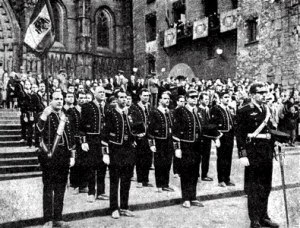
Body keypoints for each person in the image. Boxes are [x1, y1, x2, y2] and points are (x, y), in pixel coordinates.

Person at [236, 82, 280, 228]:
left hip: (266, 151)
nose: (264, 95)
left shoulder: (266, 109)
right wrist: (242, 154)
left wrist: (276, 144)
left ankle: (264, 216)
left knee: (266, 185)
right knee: (254, 186)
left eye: (264, 93)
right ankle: (254, 219)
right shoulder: (244, 110)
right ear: (252, 95)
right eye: (260, 93)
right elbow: (240, 134)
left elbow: (270, 130)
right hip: (253, 152)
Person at [37, 91, 75, 228]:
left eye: (61, 99)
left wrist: (72, 155)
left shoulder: (65, 116)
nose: (59, 101)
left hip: (63, 156)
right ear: (50, 101)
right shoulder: (45, 115)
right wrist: (44, 115)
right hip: (49, 156)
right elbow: (37, 131)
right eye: (56, 99)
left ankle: (58, 217)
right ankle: (47, 219)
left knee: (60, 188)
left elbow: (70, 138)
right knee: (49, 188)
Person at [102, 90, 136, 219]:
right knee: (115, 180)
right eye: (121, 97)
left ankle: (124, 207)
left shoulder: (129, 113)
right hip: (115, 150)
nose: (124, 100)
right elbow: (104, 134)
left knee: (126, 180)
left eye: (125, 98)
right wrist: (106, 153)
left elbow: (133, 130)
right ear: (116, 99)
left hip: (128, 151)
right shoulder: (110, 114)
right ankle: (114, 208)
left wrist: (135, 138)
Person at [172, 89, 204, 208]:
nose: (194, 99)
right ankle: (185, 198)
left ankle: (193, 196)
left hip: (197, 145)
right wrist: (177, 148)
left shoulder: (198, 111)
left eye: (196, 97)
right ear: (186, 98)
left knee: (195, 172)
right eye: (192, 97)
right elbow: (175, 131)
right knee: (186, 172)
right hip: (185, 145)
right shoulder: (180, 111)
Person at [79, 86, 108, 202]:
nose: (102, 94)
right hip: (92, 139)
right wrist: (83, 141)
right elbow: (81, 126)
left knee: (103, 166)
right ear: (94, 93)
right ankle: (91, 192)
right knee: (91, 166)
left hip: (104, 140)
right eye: (100, 92)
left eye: (103, 92)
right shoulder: (87, 106)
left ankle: (101, 192)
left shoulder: (108, 107)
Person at [148, 92, 175, 193]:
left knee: (168, 162)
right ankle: (159, 184)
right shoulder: (154, 112)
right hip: (159, 141)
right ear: (159, 100)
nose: (167, 100)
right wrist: (151, 143)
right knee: (159, 163)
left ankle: (166, 184)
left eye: (168, 98)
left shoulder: (169, 112)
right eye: (164, 98)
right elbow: (150, 129)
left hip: (169, 140)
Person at [129, 88, 153, 188]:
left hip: (149, 136)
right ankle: (140, 179)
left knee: (148, 158)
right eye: (144, 95)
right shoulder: (134, 107)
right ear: (140, 96)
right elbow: (133, 122)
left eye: (148, 95)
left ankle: (146, 179)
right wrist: (138, 132)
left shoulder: (150, 107)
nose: (146, 97)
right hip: (140, 136)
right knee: (140, 158)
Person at [210, 90, 235, 187]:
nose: (227, 99)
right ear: (220, 99)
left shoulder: (229, 109)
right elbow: (213, 124)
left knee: (228, 158)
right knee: (221, 158)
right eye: (225, 97)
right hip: (221, 136)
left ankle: (227, 178)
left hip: (230, 136)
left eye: (228, 97)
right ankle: (221, 179)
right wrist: (216, 137)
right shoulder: (216, 109)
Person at [198, 92, 213, 181]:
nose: (207, 101)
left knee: (206, 156)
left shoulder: (208, 110)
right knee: (198, 157)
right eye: (205, 99)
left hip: (208, 137)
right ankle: (196, 175)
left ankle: (204, 174)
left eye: (208, 99)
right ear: (200, 100)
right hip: (201, 137)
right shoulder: (198, 110)